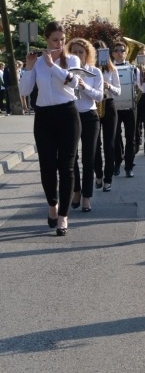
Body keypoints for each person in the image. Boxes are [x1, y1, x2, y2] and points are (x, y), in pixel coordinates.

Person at [19, 22, 81, 235]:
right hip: (44, 116)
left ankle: (63, 215)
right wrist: (28, 67)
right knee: (47, 165)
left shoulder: (72, 59)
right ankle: (52, 205)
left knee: (67, 166)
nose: (59, 44)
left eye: (63, 40)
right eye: (55, 40)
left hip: (67, 115)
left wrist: (53, 65)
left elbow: (72, 83)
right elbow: (25, 90)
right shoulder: (37, 63)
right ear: (46, 40)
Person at [67, 38, 103, 212]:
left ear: (88, 54)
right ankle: (76, 190)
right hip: (71, 117)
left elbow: (99, 96)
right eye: (74, 51)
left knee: (89, 158)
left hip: (90, 116)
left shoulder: (94, 72)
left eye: (81, 52)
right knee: (71, 158)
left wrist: (83, 86)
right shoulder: (65, 71)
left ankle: (87, 197)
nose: (78, 55)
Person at [92, 40, 120, 193]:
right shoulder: (90, 69)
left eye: (100, 52)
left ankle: (108, 178)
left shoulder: (112, 69)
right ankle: (98, 174)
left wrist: (108, 86)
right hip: (94, 105)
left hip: (108, 104)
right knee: (95, 144)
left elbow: (119, 91)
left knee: (109, 143)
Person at [111, 40, 137, 178]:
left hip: (129, 107)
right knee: (115, 137)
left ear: (126, 53)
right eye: (117, 50)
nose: (120, 53)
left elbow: (141, 87)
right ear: (113, 54)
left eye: (122, 50)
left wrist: (144, 77)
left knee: (130, 138)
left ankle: (129, 166)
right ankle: (117, 162)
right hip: (114, 108)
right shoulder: (108, 68)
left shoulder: (133, 68)